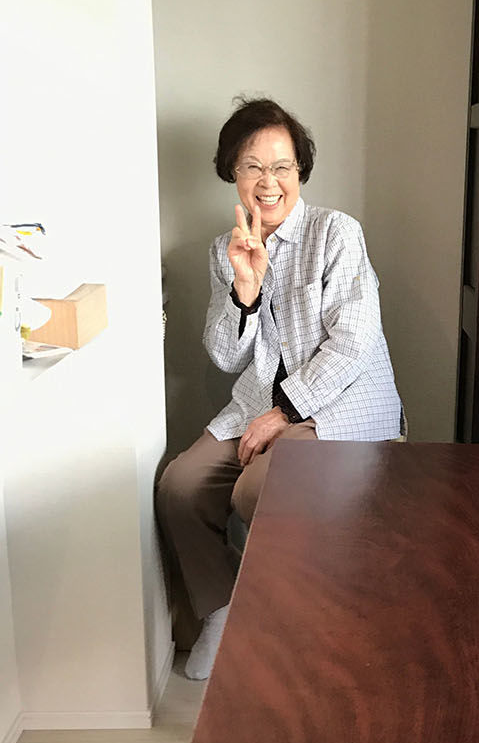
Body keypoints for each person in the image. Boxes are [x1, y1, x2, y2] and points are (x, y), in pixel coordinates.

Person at [157, 97, 404, 680]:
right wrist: (244, 291)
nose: (268, 183)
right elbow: (225, 356)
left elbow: (354, 343)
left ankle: (286, 622)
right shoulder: (224, 250)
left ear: (300, 171)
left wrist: (284, 413)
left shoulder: (336, 233)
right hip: (259, 403)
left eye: (282, 167)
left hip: (343, 403)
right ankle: (223, 610)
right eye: (252, 166)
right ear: (232, 173)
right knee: (180, 487)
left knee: (257, 490)